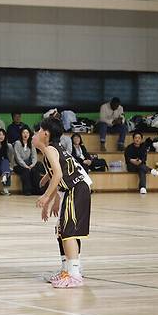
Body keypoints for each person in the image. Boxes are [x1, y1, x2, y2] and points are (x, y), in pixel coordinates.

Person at [35, 117, 93, 288]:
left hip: (76, 189)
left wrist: (46, 197)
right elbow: (58, 175)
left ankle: (74, 274)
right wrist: (52, 200)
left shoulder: (50, 150)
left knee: (68, 232)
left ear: (46, 134)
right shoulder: (55, 148)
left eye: (39, 130)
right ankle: (68, 270)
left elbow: (59, 175)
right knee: (63, 230)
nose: (37, 133)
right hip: (73, 189)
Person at [125, 131, 158, 195]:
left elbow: (144, 159)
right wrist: (133, 161)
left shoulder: (143, 147)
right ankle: (150, 170)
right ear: (133, 139)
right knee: (142, 167)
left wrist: (140, 161)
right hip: (131, 166)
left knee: (141, 169)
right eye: (136, 138)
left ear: (141, 139)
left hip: (141, 165)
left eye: (139, 138)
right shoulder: (129, 148)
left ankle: (142, 188)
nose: (137, 139)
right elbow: (127, 159)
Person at [13, 127, 41, 196]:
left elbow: (34, 156)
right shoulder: (17, 143)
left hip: (29, 164)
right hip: (18, 165)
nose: (25, 134)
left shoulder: (31, 143)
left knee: (35, 170)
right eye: (23, 133)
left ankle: (37, 190)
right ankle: (27, 190)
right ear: (21, 134)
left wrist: (32, 165)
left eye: (27, 133)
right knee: (25, 171)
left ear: (29, 134)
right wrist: (25, 166)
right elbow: (18, 158)